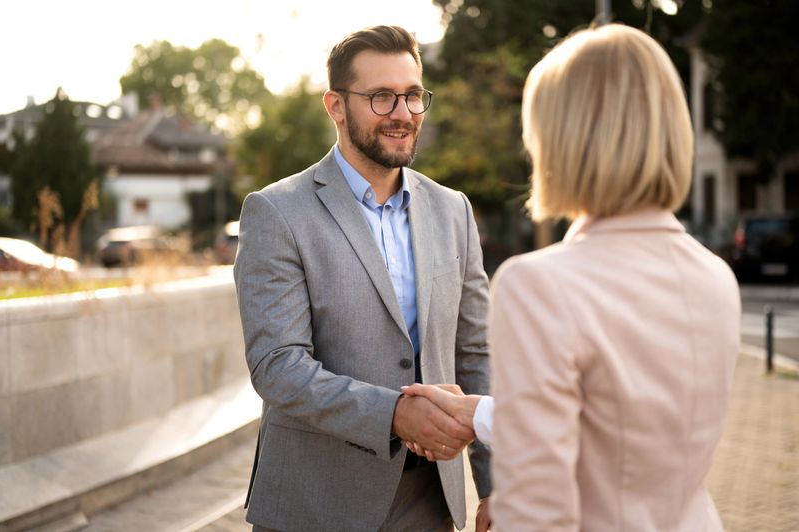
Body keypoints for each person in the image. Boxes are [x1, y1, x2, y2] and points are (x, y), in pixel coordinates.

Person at [404, 23, 741, 531]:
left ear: (559, 138)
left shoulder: (538, 285)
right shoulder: (715, 275)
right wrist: (481, 414)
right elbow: (621, 423)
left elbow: (543, 512)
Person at [233, 25, 492, 532]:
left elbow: (475, 353)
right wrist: (392, 413)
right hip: (316, 504)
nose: (403, 113)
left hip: (431, 502)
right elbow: (277, 366)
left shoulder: (452, 211)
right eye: (381, 97)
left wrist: (497, 488)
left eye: (413, 96)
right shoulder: (276, 212)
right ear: (335, 105)